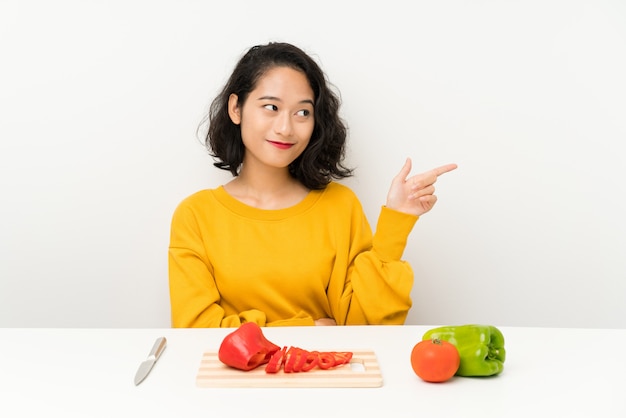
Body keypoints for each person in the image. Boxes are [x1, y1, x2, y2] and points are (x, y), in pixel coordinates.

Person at [168, 42, 457, 328]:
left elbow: (366, 326)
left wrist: (397, 221)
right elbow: (196, 330)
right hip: (237, 376)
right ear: (236, 108)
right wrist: (308, 331)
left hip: (324, 374)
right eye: (271, 107)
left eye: (303, 112)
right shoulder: (196, 215)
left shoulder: (340, 206)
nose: (285, 128)